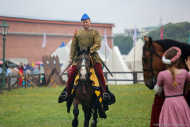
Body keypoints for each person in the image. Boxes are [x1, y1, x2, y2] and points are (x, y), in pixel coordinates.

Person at [61, 13, 110, 100]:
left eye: (86, 22)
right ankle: (67, 93)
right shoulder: (78, 33)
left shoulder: (95, 32)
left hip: (93, 55)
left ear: (90, 21)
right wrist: (71, 58)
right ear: (81, 22)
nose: (85, 24)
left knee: (99, 72)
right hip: (79, 56)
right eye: (83, 22)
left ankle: (104, 93)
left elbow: (98, 44)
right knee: (72, 72)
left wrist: (89, 51)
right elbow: (73, 46)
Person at [154, 47, 190, 126]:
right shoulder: (184, 73)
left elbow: (158, 90)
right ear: (178, 60)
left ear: (166, 60)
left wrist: (156, 82)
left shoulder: (162, 74)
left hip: (169, 104)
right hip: (181, 102)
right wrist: (189, 67)